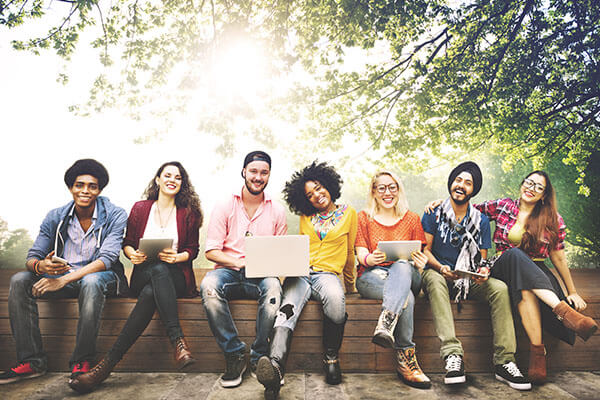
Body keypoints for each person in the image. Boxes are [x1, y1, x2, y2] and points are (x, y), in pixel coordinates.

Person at [69, 161, 203, 393]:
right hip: (143, 273)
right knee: (155, 273)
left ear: (182, 184)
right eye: (167, 175)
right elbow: (127, 243)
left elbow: (193, 249)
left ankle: (105, 367)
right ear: (158, 179)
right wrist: (133, 255)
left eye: (178, 177)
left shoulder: (187, 213)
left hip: (176, 277)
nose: (172, 179)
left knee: (157, 282)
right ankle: (178, 342)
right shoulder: (141, 208)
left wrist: (178, 256)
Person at [0, 159, 128, 385]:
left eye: (92, 186)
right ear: (71, 187)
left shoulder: (115, 214)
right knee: (20, 279)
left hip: (102, 278)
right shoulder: (55, 216)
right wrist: (41, 267)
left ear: (99, 190)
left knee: (91, 281)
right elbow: (33, 255)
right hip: (63, 277)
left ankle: (82, 361)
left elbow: (107, 259)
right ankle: (32, 361)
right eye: (79, 185)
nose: (85, 191)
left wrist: (62, 280)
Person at [472, 171, 598, 384]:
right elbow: (467, 210)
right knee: (515, 254)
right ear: (522, 184)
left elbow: (558, 258)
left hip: (536, 273)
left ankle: (538, 354)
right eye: (529, 183)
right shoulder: (503, 205)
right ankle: (567, 315)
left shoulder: (553, 220)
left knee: (526, 288)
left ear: (544, 195)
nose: (531, 188)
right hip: (503, 265)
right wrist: (443, 203)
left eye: (538, 187)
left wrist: (573, 291)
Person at [420, 161, 531, 390]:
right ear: (451, 183)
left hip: (466, 280)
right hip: (440, 274)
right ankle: (453, 356)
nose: (461, 186)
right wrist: (441, 267)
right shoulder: (434, 212)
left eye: (468, 183)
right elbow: (425, 251)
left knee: (499, 288)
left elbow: (481, 258)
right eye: (458, 180)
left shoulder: (479, 220)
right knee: (432, 278)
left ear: (474, 190)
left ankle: (505, 361)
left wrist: (482, 271)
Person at [256, 161, 357, 400]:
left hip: (327, 275)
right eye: (310, 195)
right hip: (300, 273)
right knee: (285, 311)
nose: (317, 196)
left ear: (329, 185)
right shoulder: (306, 217)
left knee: (335, 300)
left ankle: (331, 357)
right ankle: (275, 368)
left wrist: (351, 285)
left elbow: (350, 251)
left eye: (319, 188)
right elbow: (300, 248)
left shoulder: (349, 214)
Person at [200, 151, 286, 388]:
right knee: (208, 285)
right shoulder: (225, 205)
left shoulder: (277, 210)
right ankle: (235, 355)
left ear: (269, 175)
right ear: (244, 172)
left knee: (273, 288)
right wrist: (238, 262)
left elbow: (280, 253)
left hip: (260, 276)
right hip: (228, 271)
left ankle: (260, 357)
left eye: (264, 172)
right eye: (254, 171)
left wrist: (271, 265)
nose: (258, 177)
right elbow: (211, 251)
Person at [354, 171, 431, 389]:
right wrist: (370, 258)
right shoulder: (364, 217)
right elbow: (361, 255)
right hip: (372, 277)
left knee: (402, 265)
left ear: (399, 190)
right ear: (374, 192)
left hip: (408, 274)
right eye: (382, 188)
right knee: (404, 296)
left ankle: (386, 323)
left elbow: (420, 254)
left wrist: (420, 262)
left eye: (392, 187)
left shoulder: (412, 218)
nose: (387, 192)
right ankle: (407, 361)